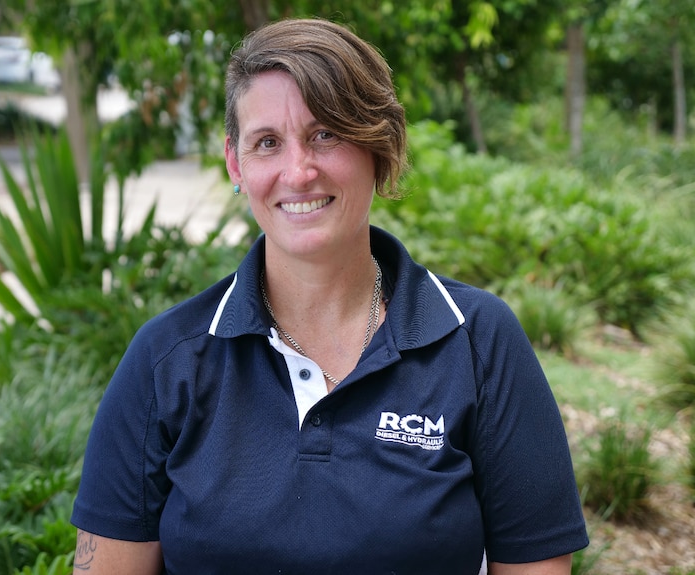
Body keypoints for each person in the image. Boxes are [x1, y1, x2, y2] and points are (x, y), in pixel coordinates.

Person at [70, 18, 589, 574]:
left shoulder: (478, 340)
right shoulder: (166, 360)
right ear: (235, 163)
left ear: (378, 144)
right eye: (267, 143)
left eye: (326, 135)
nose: (299, 171)